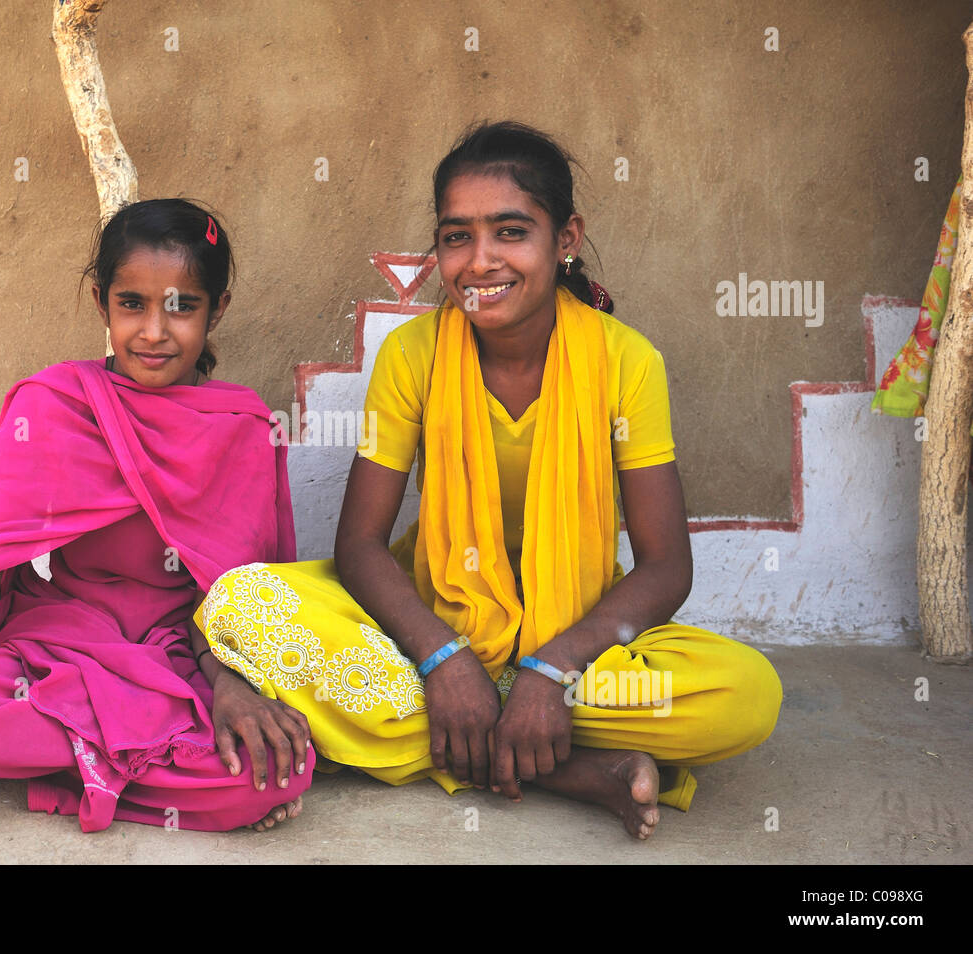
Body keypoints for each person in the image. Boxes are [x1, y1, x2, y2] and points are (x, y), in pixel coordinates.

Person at [194, 121, 782, 839]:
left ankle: (470, 730)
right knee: (241, 602)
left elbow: (665, 567)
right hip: (433, 619)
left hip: (578, 641)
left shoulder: (626, 362)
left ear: (566, 238)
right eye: (455, 237)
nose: (480, 262)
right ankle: (566, 766)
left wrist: (553, 669)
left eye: (510, 232)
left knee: (744, 694)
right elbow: (361, 545)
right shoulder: (414, 354)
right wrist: (443, 658)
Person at [0, 199, 314, 833]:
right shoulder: (54, 404)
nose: (154, 331)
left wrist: (228, 686)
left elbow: (238, 606)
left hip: (180, 658)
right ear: (103, 303)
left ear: (219, 309)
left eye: (183, 306)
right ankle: (124, 767)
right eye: (133, 304)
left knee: (280, 765)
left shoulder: (242, 429)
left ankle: (74, 768)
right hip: (60, 643)